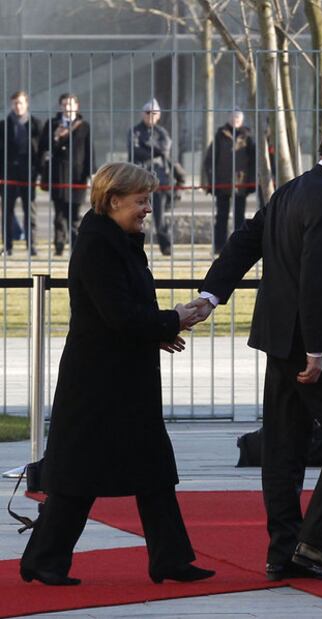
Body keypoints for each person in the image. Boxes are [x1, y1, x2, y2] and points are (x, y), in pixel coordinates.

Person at [190, 115, 322, 581]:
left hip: (278, 337)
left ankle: (285, 551)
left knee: (285, 447)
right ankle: (316, 543)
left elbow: (244, 241)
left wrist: (212, 294)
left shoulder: (293, 189)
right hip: (311, 342)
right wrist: (316, 349)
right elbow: (315, 281)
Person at [20, 162, 215, 587]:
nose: (148, 208)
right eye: (141, 200)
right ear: (113, 201)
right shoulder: (98, 245)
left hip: (125, 376)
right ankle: (43, 560)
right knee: (78, 477)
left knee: (154, 472)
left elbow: (127, 312)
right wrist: (173, 320)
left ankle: (170, 559)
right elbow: (117, 315)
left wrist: (159, 330)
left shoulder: (118, 241)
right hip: (99, 382)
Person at [39, 93, 94, 256]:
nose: (67, 107)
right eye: (64, 104)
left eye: (70, 104)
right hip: (58, 174)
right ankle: (59, 244)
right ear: (60, 106)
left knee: (75, 213)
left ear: (76, 106)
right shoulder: (52, 124)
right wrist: (55, 136)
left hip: (77, 175)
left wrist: (90, 172)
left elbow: (89, 150)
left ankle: (75, 245)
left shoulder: (84, 126)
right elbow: (43, 147)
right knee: (59, 212)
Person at [204, 108, 256, 253]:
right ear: (228, 118)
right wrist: (211, 182)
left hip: (241, 183)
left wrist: (251, 182)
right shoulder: (220, 136)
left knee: (240, 217)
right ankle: (219, 246)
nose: (235, 120)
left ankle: (238, 246)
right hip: (222, 182)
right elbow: (210, 160)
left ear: (242, 120)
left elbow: (253, 162)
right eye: (233, 117)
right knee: (221, 216)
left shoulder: (248, 137)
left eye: (238, 118)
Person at [0, 91, 42, 256]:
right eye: (15, 103)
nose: (18, 106)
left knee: (30, 211)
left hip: (28, 175)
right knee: (7, 212)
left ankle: (31, 246)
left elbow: (40, 150)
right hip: (8, 175)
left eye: (21, 103)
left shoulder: (35, 124)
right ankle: (8, 246)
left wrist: (38, 171)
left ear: (27, 104)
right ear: (12, 105)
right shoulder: (3, 126)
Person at [128, 98, 172, 255]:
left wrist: (146, 147)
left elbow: (165, 148)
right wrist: (155, 150)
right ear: (142, 114)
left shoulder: (162, 132)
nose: (150, 116)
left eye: (154, 113)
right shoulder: (135, 131)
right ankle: (132, 246)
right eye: (147, 112)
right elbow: (134, 151)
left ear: (158, 115)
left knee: (160, 216)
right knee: (133, 215)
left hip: (158, 179)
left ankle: (165, 246)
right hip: (138, 179)